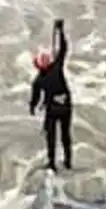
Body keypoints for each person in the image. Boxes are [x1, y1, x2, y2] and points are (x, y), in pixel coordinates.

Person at [29, 18, 73, 172]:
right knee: (66, 134)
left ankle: (52, 163)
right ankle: (68, 161)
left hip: (53, 109)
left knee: (51, 136)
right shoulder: (57, 67)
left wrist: (32, 108)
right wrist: (60, 31)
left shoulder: (38, 81)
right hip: (66, 106)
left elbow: (35, 98)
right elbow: (63, 49)